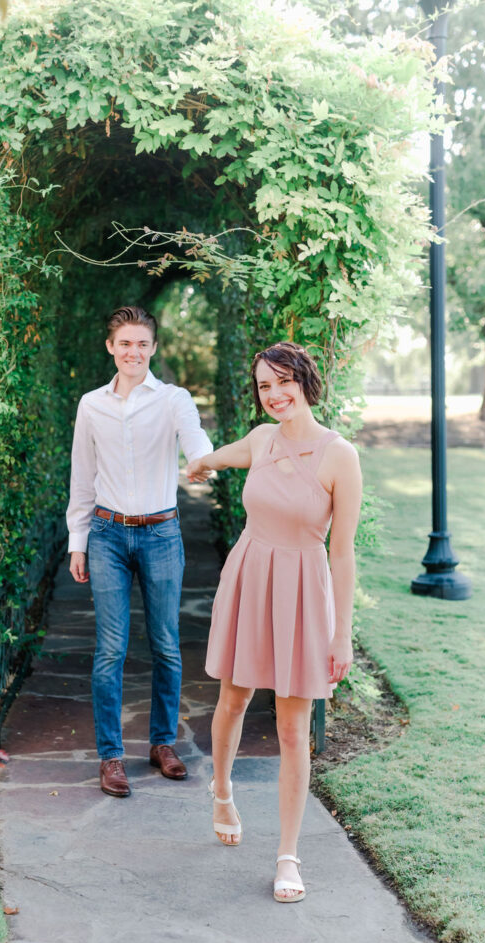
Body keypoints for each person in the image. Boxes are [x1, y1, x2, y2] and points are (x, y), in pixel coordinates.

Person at [186, 341, 362, 902]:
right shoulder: (262, 441)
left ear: (305, 381)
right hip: (249, 578)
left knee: (292, 729)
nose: (275, 394)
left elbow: (344, 552)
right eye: (264, 386)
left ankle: (288, 856)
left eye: (284, 381)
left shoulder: (341, 456)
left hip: (304, 593)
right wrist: (200, 461)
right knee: (233, 700)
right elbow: (223, 455)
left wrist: (341, 634)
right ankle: (221, 792)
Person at [67, 305, 213, 797]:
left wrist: (202, 460)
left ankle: (162, 744)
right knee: (110, 648)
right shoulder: (91, 405)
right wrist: (78, 541)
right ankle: (110, 756)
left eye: (142, 343)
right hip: (107, 534)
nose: (134, 351)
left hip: (160, 534)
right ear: (111, 346)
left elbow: (194, 436)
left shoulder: (173, 399)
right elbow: (82, 478)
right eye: (125, 343)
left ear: (153, 348)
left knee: (167, 647)